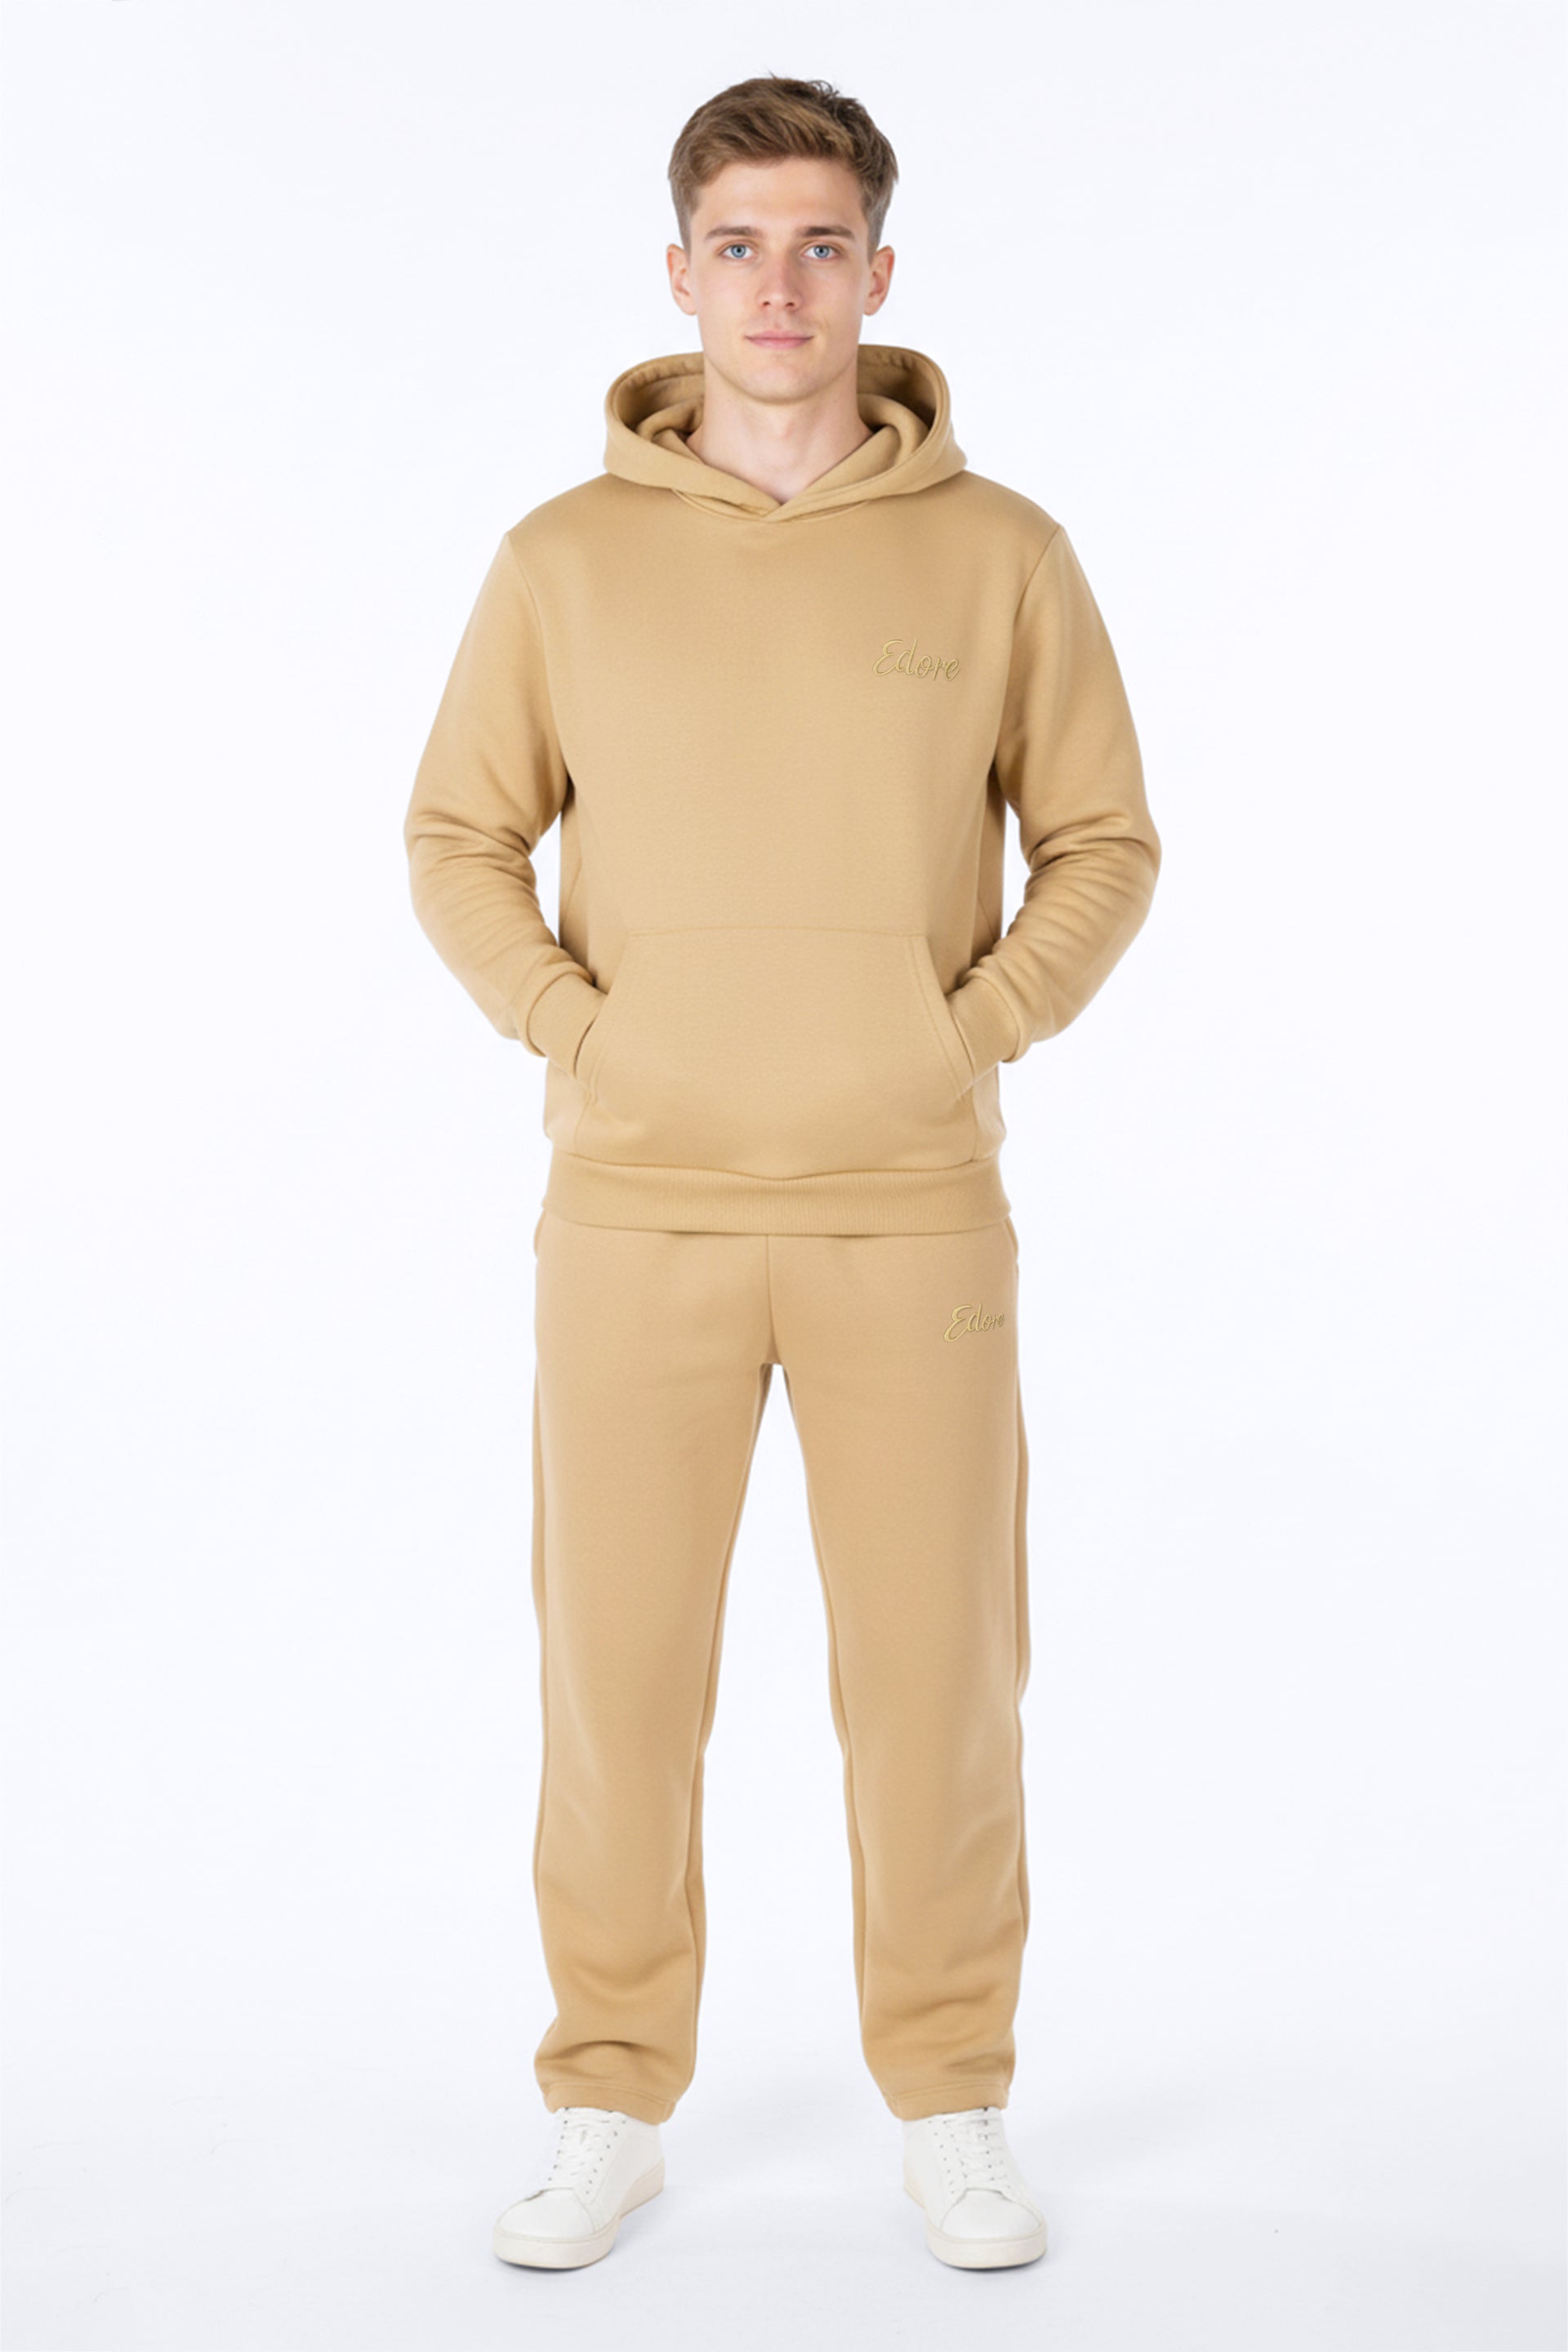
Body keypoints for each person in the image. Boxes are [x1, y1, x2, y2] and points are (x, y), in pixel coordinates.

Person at [403, 73, 1160, 2273]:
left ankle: (955, 2097)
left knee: (939, 1684)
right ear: (677, 275)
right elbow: (457, 837)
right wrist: (581, 1032)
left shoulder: (1002, 553)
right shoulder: (562, 561)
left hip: (909, 1213)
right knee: (617, 1684)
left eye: (821, 244)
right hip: (633, 1210)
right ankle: (605, 2099)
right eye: (738, 244)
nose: (779, 284)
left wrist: (960, 1036)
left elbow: (1103, 844)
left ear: (880, 275)